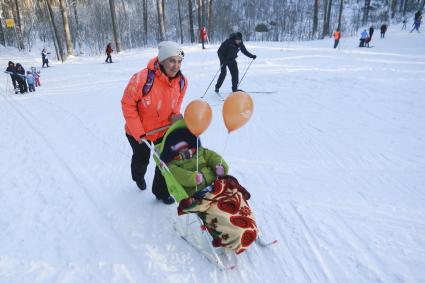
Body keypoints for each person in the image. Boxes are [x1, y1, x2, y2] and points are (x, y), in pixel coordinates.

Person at [161, 122, 258, 254]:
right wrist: (192, 178)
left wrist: (221, 167)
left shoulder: (202, 152)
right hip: (201, 196)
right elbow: (179, 176)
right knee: (219, 212)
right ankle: (235, 234)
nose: (186, 152)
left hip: (219, 187)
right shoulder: (172, 165)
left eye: (187, 147)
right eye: (180, 149)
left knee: (236, 196)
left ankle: (248, 224)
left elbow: (215, 158)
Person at [121, 41, 187, 205]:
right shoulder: (141, 79)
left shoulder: (182, 81)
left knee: (165, 162)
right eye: (172, 61)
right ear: (162, 60)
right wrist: (138, 132)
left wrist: (175, 116)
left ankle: (161, 191)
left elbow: (177, 101)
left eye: (179, 61)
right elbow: (127, 104)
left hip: (164, 129)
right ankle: (138, 177)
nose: (176, 66)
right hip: (140, 133)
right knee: (142, 159)